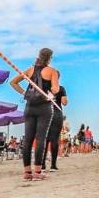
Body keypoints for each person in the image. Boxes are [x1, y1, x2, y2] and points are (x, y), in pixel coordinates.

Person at [9, 47, 59, 181]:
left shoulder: (30, 70)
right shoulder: (52, 71)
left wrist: (24, 93)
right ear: (49, 58)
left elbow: (13, 82)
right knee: (40, 138)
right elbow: (55, 89)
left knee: (28, 139)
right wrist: (51, 92)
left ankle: (27, 172)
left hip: (29, 106)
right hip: (44, 107)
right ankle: (37, 171)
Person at [42, 75, 68, 171]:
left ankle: (42, 165)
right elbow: (64, 102)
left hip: (45, 114)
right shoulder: (61, 88)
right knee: (55, 139)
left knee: (44, 139)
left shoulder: (42, 88)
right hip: (57, 114)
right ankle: (53, 165)